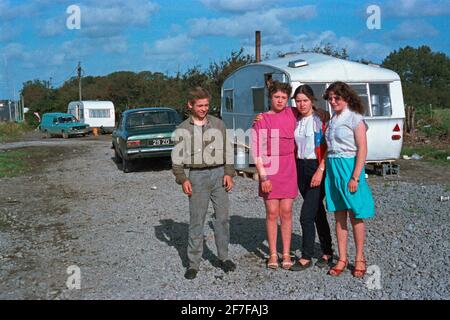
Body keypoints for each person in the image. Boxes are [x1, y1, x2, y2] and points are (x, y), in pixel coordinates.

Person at [172, 86, 236, 280]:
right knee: (197, 221)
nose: (203, 109)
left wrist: (229, 173)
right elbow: (176, 160)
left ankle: (223, 257)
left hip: (218, 175)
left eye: (206, 105)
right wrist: (183, 179)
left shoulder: (218, 124)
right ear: (190, 105)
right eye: (199, 105)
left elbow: (227, 150)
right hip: (196, 177)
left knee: (222, 219)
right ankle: (193, 264)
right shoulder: (182, 129)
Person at [323, 81, 375, 278]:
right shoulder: (332, 120)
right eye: (330, 98)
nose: (333, 101)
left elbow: (362, 148)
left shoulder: (355, 118)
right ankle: (342, 258)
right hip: (333, 167)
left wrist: (355, 176)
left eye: (337, 97)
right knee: (339, 214)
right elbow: (329, 148)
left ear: (346, 97)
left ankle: (359, 257)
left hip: (349, 166)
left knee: (355, 213)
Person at [251, 81, 298, 270]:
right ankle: (272, 253)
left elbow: (312, 110)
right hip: (270, 168)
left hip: (289, 166)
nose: (280, 101)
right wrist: (264, 177)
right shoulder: (262, 120)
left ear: (288, 99)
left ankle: (286, 253)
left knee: (286, 212)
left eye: (284, 98)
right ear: (270, 98)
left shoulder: (293, 114)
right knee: (272, 212)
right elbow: (256, 151)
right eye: (276, 97)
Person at [289, 85, 334, 271]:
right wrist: (260, 117)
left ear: (312, 100)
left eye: (305, 100)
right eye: (298, 101)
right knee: (317, 212)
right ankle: (327, 251)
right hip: (300, 167)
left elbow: (329, 146)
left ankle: (306, 256)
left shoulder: (321, 118)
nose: (301, 104)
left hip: (317, 167)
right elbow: (275, 112)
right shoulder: (295, 118)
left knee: (306, 215)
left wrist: (321, 169)